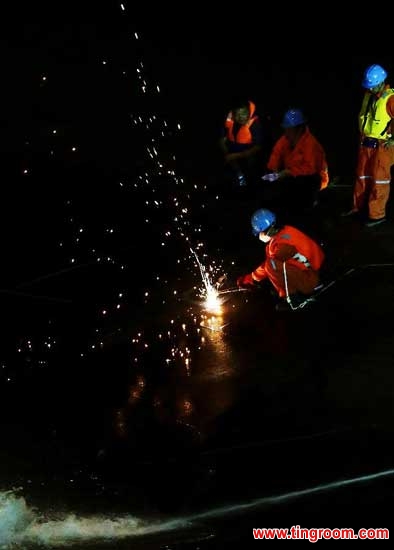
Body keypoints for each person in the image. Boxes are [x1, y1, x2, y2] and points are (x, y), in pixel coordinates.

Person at [237, 208, 325, 311]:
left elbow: (269, 265)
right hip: (313, 271)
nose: (259, 236)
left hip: (313, 278)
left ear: (265, 231)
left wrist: (252, 278)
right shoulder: (283, 233)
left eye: (259, 233)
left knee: (272, 265)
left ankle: (293, 299)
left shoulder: (283, 244)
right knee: (273, 268)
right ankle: (294, 292)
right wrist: (251, 278)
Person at [342, 64, 394, 227]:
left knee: (380, 180)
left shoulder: (390, 98)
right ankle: (358, 208)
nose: (370, 89)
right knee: (362, 177)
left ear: (381, 82)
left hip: (382, 145)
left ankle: (377, 215)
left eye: (373, 86)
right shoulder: (369, 95)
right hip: (366, 142)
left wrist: (392, 139)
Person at [261, 108, 329, 218]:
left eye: (289, 129)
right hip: (293, 175)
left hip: (313, 179)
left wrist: (286, 173)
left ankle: (309, 205)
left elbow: (310, 169)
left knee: (300, 192)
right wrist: (272, 171)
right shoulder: (287, 139)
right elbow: (276, 154)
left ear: (299, 129)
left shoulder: (311, 144)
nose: (285, 132)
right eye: (285, 129)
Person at [220, 98, 263, 188]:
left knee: (251, 169)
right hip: (233, 153)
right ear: (233, 114)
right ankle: (238, 175)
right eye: (237, 114)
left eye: (244, 113)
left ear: (249, 111)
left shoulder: (255, 125)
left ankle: (249, 185)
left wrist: (235, 156)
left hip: (247, 156)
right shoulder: (230, 119)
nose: (241, 117)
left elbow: (258, 147)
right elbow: (223, 135)